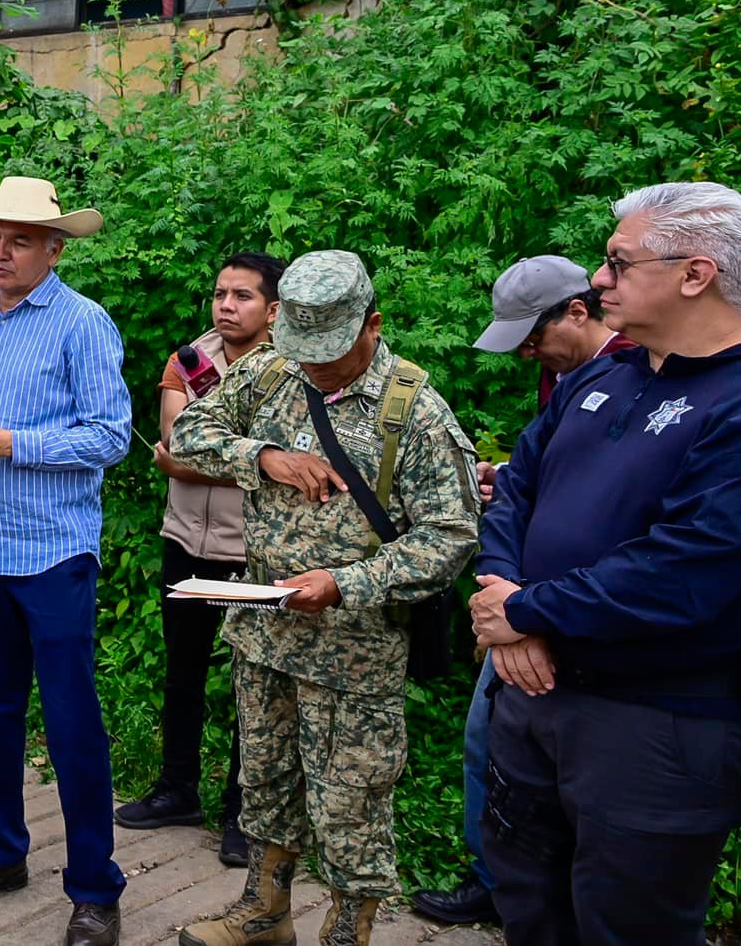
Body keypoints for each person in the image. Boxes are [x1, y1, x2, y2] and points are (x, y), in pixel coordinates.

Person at [470, 182, 741, 946]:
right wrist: (511, 612)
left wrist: (526, 611)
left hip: (656, 725)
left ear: (694, 274)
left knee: (632, 926)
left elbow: (701, 565)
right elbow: (513, 494)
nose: (597, 281)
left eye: (616, 263)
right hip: (534, 697)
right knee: (530, 907)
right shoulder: (603, 378)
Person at [169, 250, 478, 946]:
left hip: (354, 653)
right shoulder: (272, 368)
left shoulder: (413, 411)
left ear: (372, 325)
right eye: (302, 351)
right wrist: (264, 457)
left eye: (328, 356)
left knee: (351, 803)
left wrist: (346, 582)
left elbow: (452, 535)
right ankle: (265, 912)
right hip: (266, 635)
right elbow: (189, 433)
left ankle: (346, 933)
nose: (312, 368)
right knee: (266, 778)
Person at [0, 177, 131, 946]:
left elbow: (110, 438)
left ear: (55, 248)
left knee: (73, 722)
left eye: (16, 239)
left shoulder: (84, 324)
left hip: (51, 553)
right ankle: (1, 854)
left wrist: (14, 445)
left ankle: (94, 888)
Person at [412, 255, 633, 928]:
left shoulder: (635, 374)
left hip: (578, 616)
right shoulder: (561, 376)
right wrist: (508, 485)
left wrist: (524, 613)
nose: (530, 353)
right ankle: (500, 879)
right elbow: (544, 484)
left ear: (578, 310)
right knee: (490, 742)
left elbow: (623, 509)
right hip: (518, 599)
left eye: (535, 338)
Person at [117, 252, 285, 869]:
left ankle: (244, 813)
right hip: (185, 541)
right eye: (220, 294)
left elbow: (288, 465)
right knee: (183, 671)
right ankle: (176, 789)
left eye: (242, 296)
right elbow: (176, 446)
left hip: (254, 555)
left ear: (273, 308)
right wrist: (250, 458)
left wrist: (218, 458)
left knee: (253, 683)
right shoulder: (190, 361)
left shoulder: (295, 371)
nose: (226, 305)